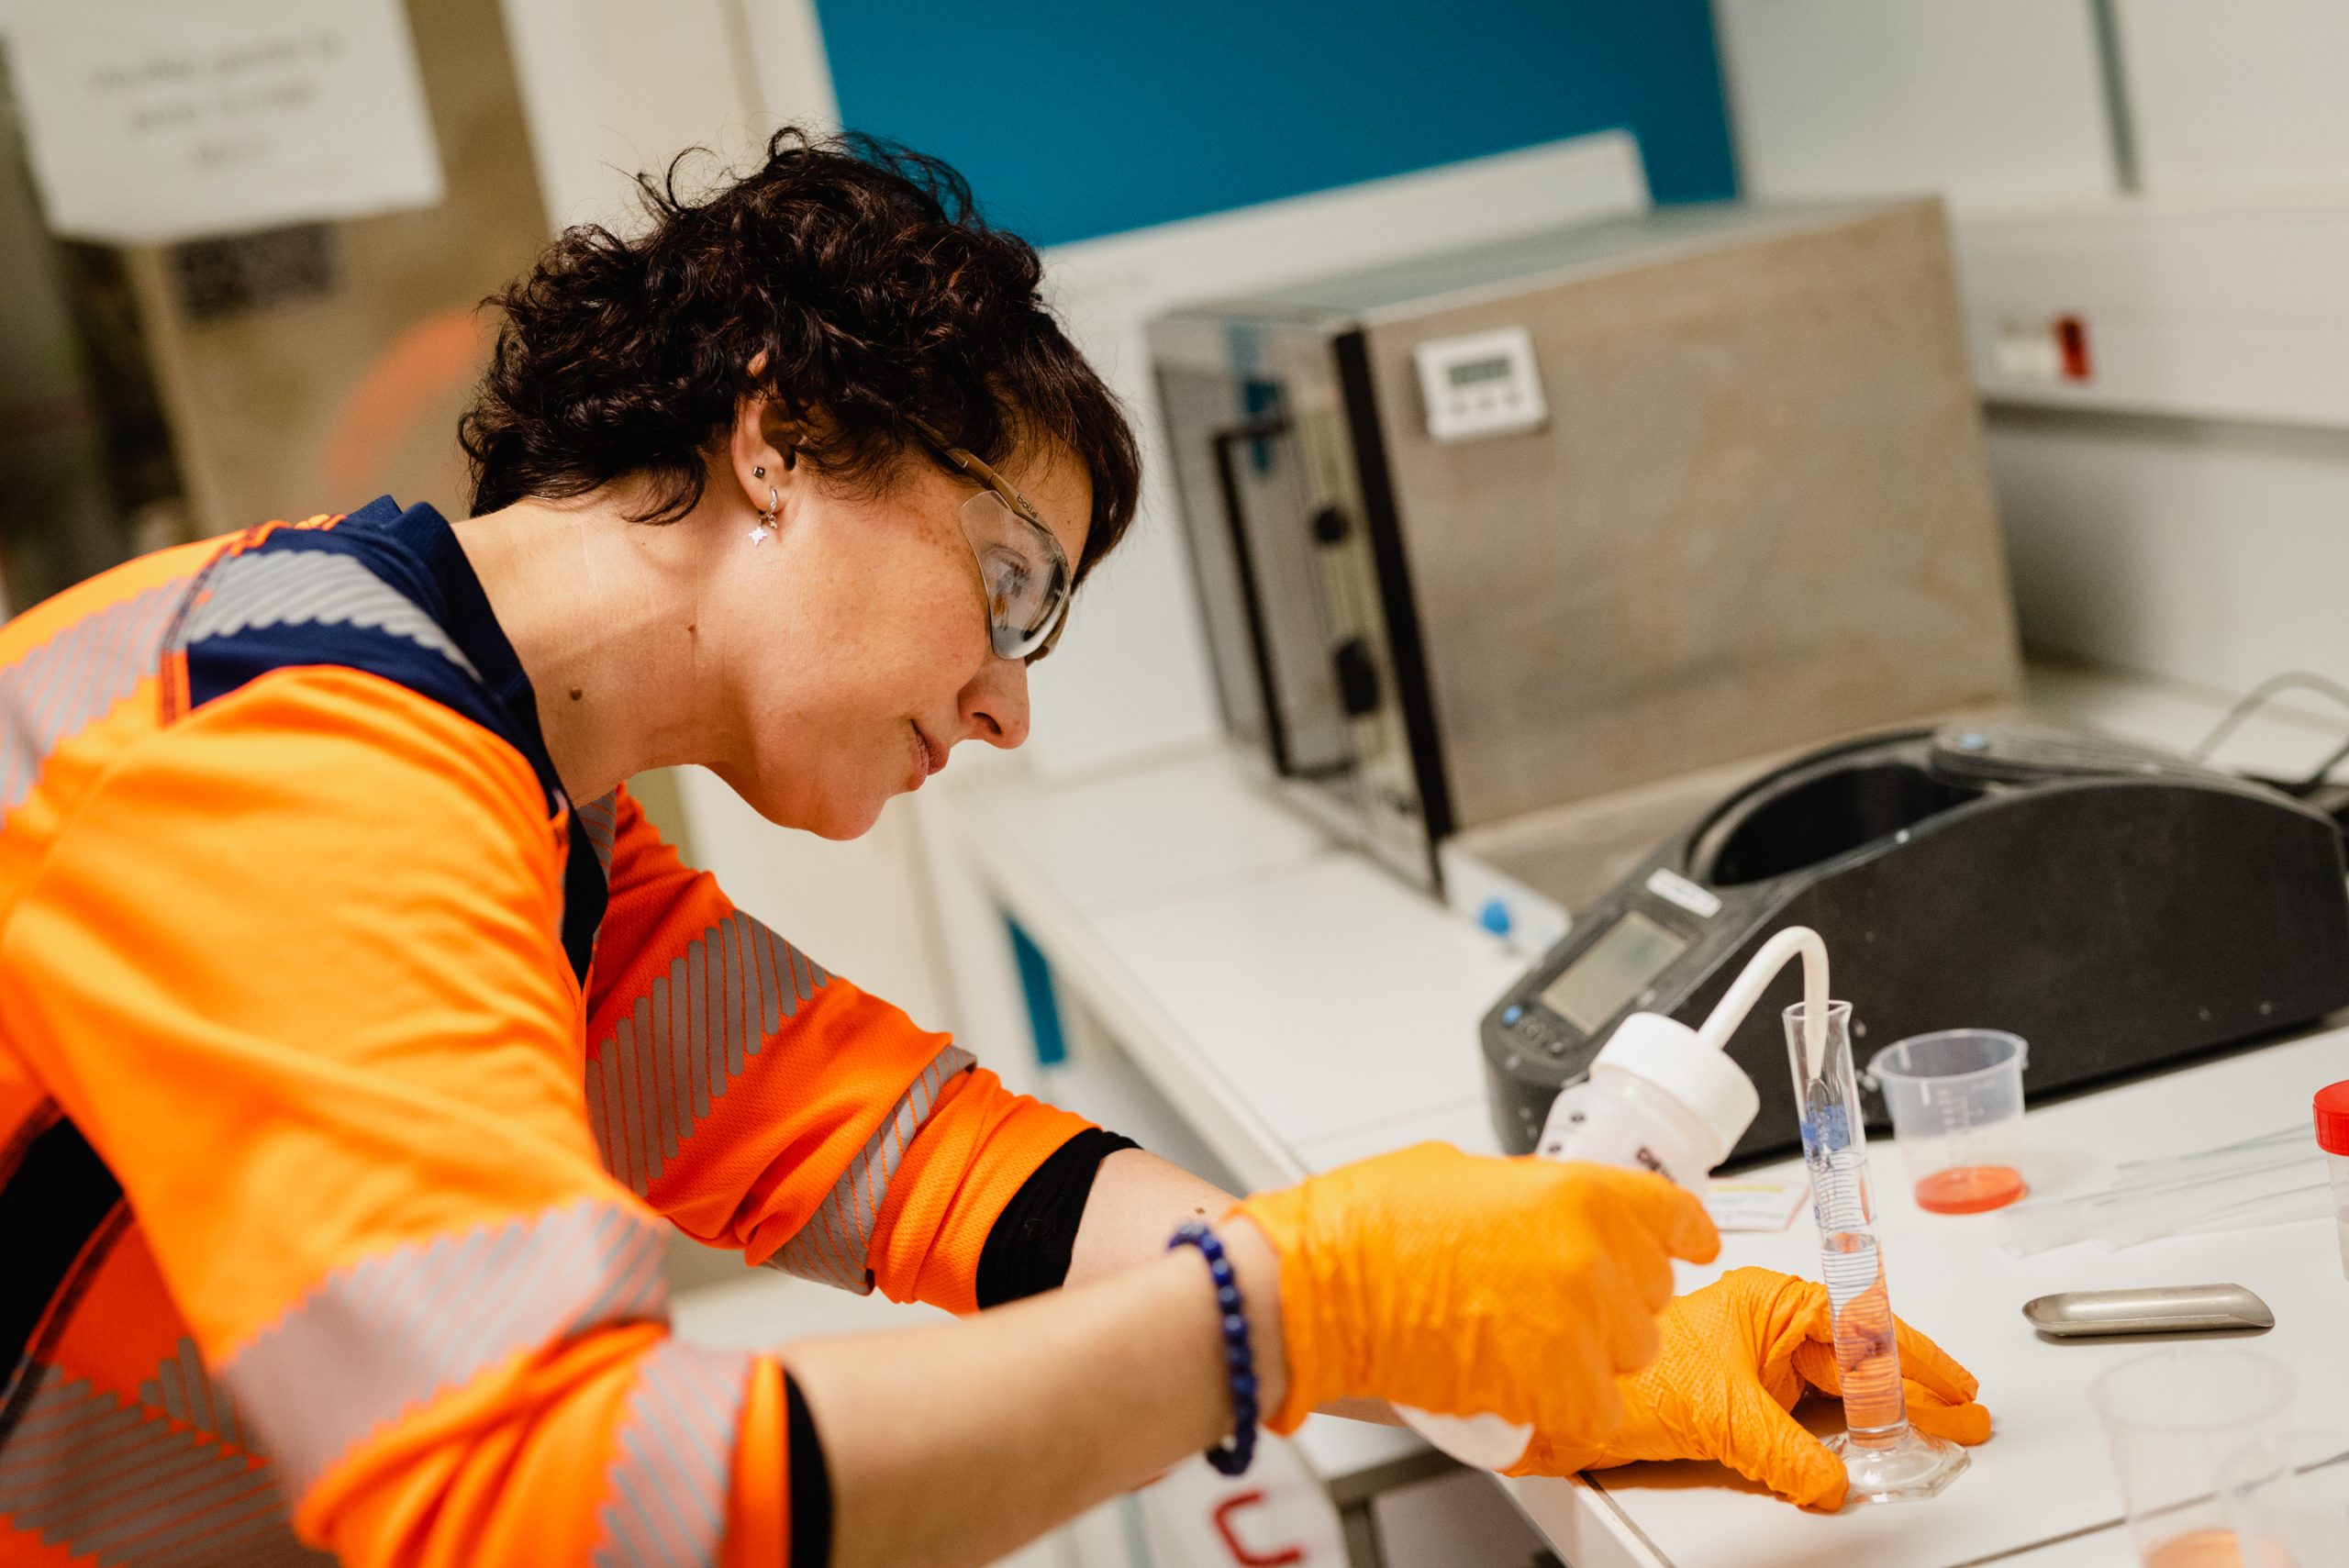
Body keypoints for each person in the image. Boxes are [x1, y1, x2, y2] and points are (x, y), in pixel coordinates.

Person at [0, 131, 1988, 1568]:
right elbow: (546, 1506)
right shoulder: (294, 760)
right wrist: (1294, 1314)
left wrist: (1559, 1367)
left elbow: (947, 1173)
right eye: (1009, 581)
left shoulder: (529, 814)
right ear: (776, 437)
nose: (1008, 704)